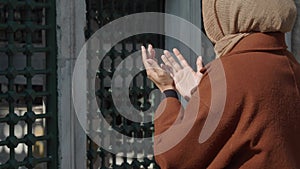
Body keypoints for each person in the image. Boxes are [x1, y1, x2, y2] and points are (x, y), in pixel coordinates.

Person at [141, 0, 300, 168]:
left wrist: (168, 91)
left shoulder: (229, 72)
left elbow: (174, 156)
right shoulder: (292, 67)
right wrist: (201, 93)